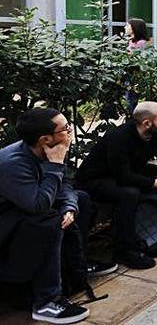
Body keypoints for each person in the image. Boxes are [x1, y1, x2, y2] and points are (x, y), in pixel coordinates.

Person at [0, 109, 111, 324]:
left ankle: (77, 268)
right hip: (6, 224)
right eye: (65, 128)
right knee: (48, 220)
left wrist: (69, 206)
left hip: (23, 211)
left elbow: (65, 184)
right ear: (45, 139)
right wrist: (56, 165)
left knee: (81, 200)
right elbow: (38, 205)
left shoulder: (50, 149)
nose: (70, 132)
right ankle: (46, 302)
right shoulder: (12, 163)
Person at [76, 102, 157, 270]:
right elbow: (123, 176)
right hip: (97, 179)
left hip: (128, 171)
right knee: (129, 194)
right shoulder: (119, 138)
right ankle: (124, 250)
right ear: (147, 123)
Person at [123, 18, 149, 114]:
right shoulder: (131, 41)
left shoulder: (141, 43)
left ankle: (132, 117)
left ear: (134, 28)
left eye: (127, 25)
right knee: (128, 98)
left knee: (131, 99)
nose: (125, 27)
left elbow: (137, 59)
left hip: (134, 75)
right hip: (128, 73)